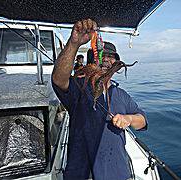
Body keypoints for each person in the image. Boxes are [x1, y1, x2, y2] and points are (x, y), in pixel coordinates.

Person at [52, 19, 147, 180]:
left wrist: (128, 118)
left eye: (111, 57)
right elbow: (59, 80)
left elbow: (142, 120)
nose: (106, 60)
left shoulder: (121, 94)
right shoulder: (78, 88)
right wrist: (74, 43)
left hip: (116, 174)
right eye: (102, 56)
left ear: (116, 63)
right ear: (90, 63)